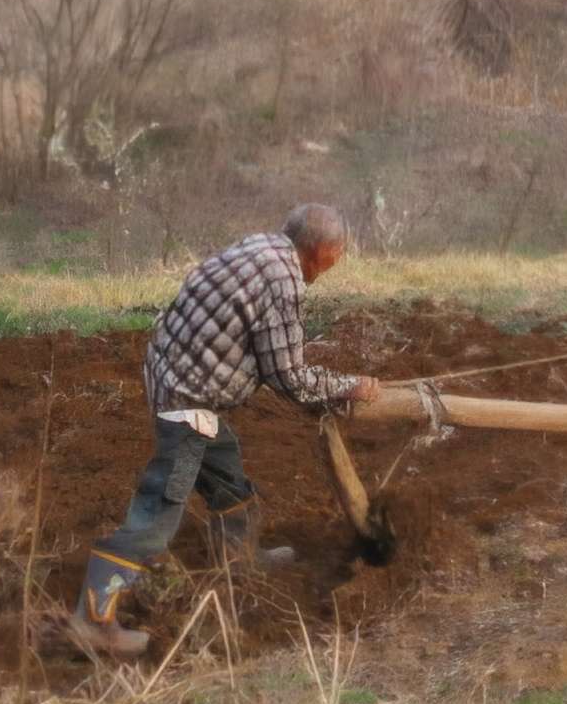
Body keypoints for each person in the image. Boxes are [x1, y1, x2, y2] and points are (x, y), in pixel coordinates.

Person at [69, 203, 382, 658]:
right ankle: (93, 619)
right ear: (321, 252)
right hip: (187, 405)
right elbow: (288, 376)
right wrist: (348, 387)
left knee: (226, 471)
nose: (335, 265)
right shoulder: (283, 280)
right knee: (160, 508)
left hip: (173, 376)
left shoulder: (261, 247)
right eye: (337, 255)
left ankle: (240, 560)